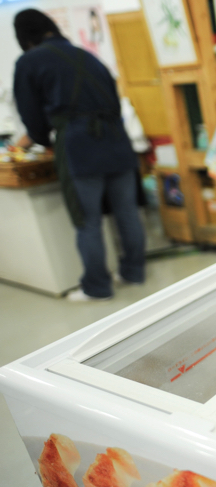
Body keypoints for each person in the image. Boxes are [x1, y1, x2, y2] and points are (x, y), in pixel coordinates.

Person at [13, 9, 145, 301]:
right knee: (127, 214)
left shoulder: (29, 62)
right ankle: (133, 272)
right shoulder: (88, 56)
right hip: (117, 142)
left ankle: (97, 287)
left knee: (88, 221)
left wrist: (39, 139)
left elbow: (31, 116)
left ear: (23, 36)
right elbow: (113, 101)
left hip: (79, 146)